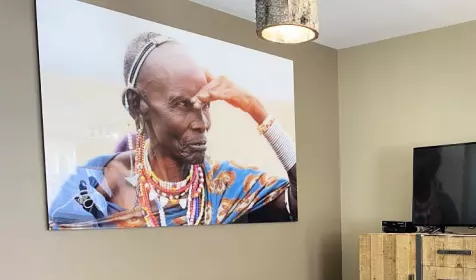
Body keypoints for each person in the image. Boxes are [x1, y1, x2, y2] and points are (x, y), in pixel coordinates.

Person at [49, 32, 297, 229]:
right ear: (137, 105)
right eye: (182, 104)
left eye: (205, 105)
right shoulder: (97, 184)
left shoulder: (224, 183)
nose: (202, 123)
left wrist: (254, 108)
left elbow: (303, 202)